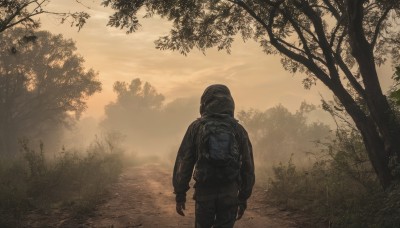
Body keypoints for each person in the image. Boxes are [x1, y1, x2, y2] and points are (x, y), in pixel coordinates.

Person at [172, 84, 255, 228]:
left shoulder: (196, 127)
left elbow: (184, 161)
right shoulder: (238, 129)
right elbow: (248, 165)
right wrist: (243, 197)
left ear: (205, 102)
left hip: (205, 191)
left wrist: (180, 194)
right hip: (230, 191)